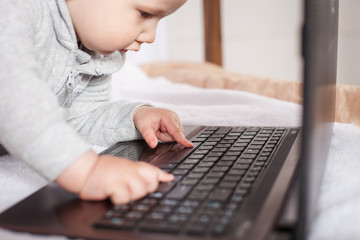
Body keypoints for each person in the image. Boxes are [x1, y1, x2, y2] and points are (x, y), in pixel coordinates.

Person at [0, 0, 191, 205]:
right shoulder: (16, 10)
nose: (151, 37)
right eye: (144, 14)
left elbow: (79, 119)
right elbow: (16, 104)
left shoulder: (97, 53)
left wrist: (134, 117)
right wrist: (86, 171)